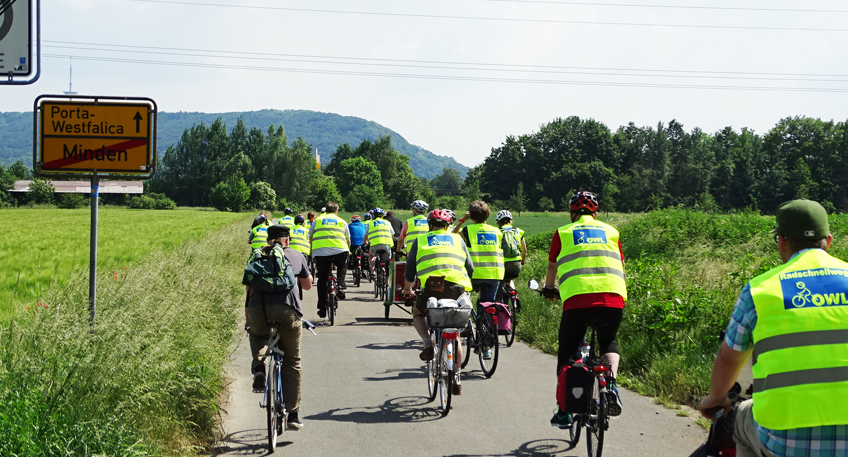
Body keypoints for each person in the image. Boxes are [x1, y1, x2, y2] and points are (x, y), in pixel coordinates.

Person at [698, 199, 848, 457]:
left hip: (785, 441)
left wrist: (716, 399)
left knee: (741, 419)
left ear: (782, 242)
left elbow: (728, 358)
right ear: (829, 241)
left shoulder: (760, 290)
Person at [544, 191, 626, 428]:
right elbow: (620, 263)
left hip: (578, 303)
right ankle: (610, 385)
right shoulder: (612, 232)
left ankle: (565, 411)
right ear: (595, 213)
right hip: (613, 298)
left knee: (568, 353)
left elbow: (552, 265)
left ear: (571, 213)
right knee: (608, 340)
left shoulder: (564, 232)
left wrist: (550, 288)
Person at [243, 224, 312, 431]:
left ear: (267, 240)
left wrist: (248, 320)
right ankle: (293, 414)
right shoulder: (296, 255)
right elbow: (308, 285)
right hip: (287, 311)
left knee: (257, 335)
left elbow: (249, 292)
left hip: (258, 310)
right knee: (292, 361)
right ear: (287, 240)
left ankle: (259, 367)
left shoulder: (257, 255)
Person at [402, 209, 474, 395]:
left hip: (432, 288)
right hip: (458, 289)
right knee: (455, 335)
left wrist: (407, 288)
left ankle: (427, 344)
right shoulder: (457, 239)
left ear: (429, 225)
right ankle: (456, 376)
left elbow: (410, 270)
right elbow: (471, 268)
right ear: (449, 225)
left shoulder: (422, 240)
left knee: (418, 314)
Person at [455, 200, 504, 304]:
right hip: (493, 274)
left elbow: (451, 237)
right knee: (488, 304)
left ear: (471, 216)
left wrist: (462, 220)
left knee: (464, 302)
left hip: (472, 274)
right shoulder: (497, 232)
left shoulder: (468, 230)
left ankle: (468, 319)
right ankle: (487, 319)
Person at [309, 202, 351, 318]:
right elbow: (348, 239)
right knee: (343, 265)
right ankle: (341, 285)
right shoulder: (341, 221)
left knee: (322, 279)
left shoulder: (317, 221)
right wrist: (348, 250)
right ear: (336, 211)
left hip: (321, 253)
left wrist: (312, 250)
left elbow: (311, 236)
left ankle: (322, 308)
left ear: (325, 210)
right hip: (339, 251)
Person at [496, 210, 527, 301]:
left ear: (498, 221)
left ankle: (501, 303)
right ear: (511, 220)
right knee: (510, 279)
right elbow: (524, 250)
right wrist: (522, 262)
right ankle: (514, 295)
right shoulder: (518, 231)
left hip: (502, 264)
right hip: (516, 264)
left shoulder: (497, 232)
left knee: (500, 282)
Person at [365, 208, 395, 276]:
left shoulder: (370, 223)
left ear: (373, 216)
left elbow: (366, 235)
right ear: (382, 216)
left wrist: (365, 242)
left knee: (371, 255)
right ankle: (388, 273)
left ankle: (373, 271)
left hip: (375, 245)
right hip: (386, 245)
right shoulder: (387, 223)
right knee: (387, 259)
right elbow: (392, 234)